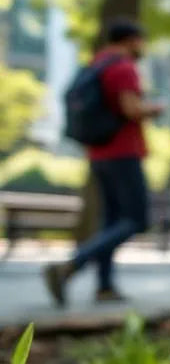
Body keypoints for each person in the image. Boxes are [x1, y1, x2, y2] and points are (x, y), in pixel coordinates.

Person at [44, 19, 162, 307]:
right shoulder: (123, 68)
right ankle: (71, 266)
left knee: (110, 220)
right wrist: (155, 109)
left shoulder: (96, 64)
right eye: (140, 42)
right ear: (132, 40)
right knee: (136, 219)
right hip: (123, 153)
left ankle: (105, 287)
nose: (142, 48)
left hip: (98, 154)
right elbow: (131, 109)